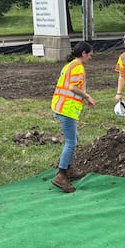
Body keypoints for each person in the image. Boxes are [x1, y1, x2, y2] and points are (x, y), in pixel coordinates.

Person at [50, 41, 96, 193]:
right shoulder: (77, 67)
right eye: (90, 55)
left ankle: (68, 170)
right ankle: (61, 174)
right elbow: (73, 87)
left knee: (74, 139)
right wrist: (87, 96)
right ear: (83, 53)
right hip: (66, 108)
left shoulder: (70, 65)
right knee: (70, 142)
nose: (90, 57)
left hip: (62, 106)